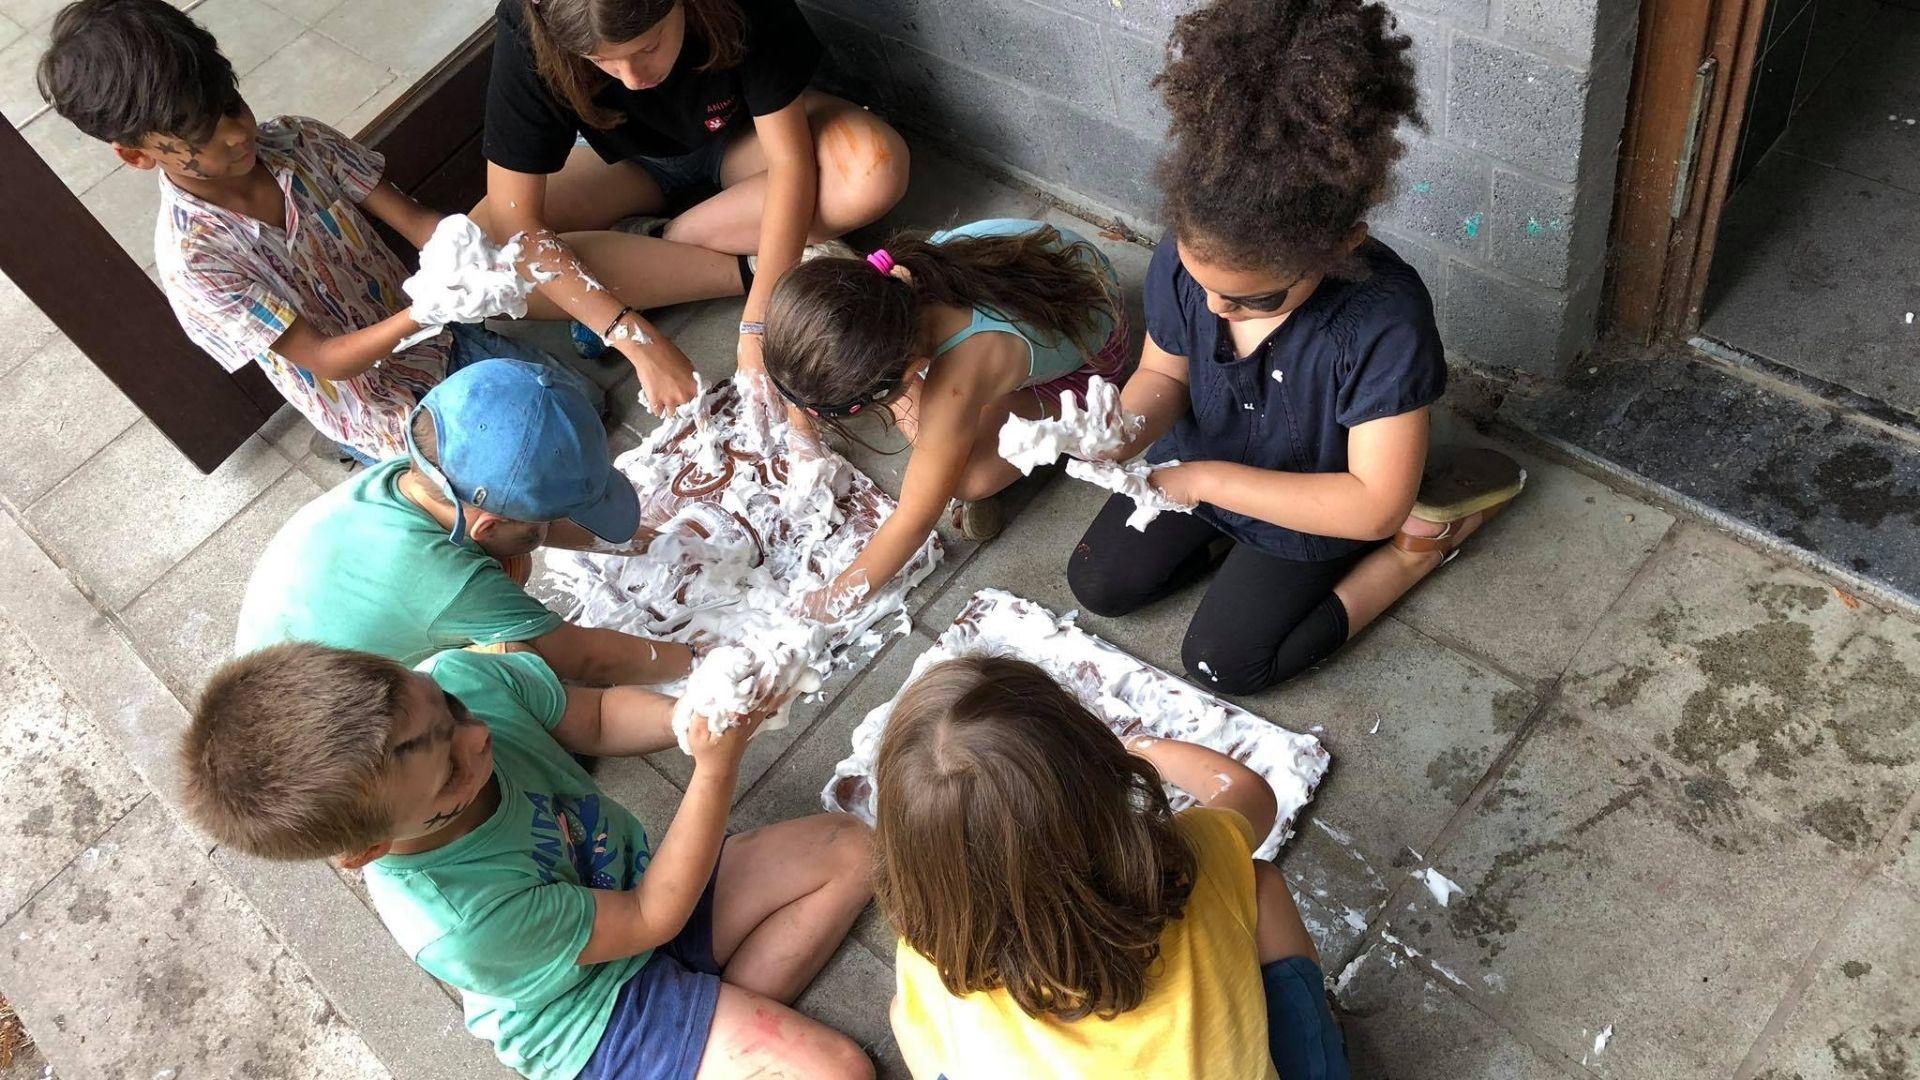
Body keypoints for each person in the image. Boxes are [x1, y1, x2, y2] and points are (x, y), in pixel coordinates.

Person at [35, 0, 738, 464]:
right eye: (202, 137)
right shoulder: (198, 262)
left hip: (442, 341)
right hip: (372, 401)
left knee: (582, 409)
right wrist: (424, 308)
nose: (238, 134)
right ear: (137, 155)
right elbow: (328, 360)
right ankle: (373, 456)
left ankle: (611, 291)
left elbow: (416, 221)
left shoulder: (299, 141)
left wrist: (458, 250)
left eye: (233, 106)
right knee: (534, 466)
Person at [1064, 0, 1525, 695]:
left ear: (1340, 248)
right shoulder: (1196, 259)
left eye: (1255, 300)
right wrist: (1124, 427)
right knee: (1096, 582)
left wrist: (1203, 481)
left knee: (1225, 664)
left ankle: (1416, 552)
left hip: (1319, 506)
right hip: (1204, 468)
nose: (1216, 309)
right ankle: (1229, 550)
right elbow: (1165, 372)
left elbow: (1372, 502)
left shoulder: (1384, 321)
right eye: (1201, 282)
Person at [179, 641, 876, 1079]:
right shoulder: (461, 922)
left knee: (854, 849)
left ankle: (709, 1023)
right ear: (369, 849)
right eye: (450, 775)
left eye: (452, 711)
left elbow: (594, 718)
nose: (477, 739)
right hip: (592, 1014)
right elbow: (651, 915)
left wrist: (692, 718)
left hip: (637, 895)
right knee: (839, 1071)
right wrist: (715, 768)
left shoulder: (456, 678)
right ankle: (699, 1034)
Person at [874, 655, 1348, 1080]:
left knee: (905, 1013)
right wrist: (1142, 748)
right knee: (1261, 884)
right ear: (1099, 768)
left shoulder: (925, 953)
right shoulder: (1193, 859)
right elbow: (1250, 796)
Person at [475, 0, 910, 417]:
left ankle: (657, 247)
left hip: (743, 136)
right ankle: (750, 262)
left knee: (872, 170)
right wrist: (632, 335)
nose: (632, 79)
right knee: (475, 268)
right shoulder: (533, 20)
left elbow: (789, 162)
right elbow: (516, 226)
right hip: (619, 162)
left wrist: (759, 321)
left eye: (649, 47)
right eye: (601, 60)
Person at [236, 358, 689, 686]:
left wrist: (643, 543)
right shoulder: (451, 582)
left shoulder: (415, 475)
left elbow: (530, 525)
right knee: (521, 661)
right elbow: (588, 659)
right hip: (345, 752)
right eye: (546, 521)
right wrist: (698, 658)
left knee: (512, 565)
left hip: (276, 674)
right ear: (486, 528)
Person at [760, 218, 1128, 617]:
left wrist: (828, 602)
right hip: (1061, 272)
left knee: (967, 479)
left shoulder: (957, 382)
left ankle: (951, 417)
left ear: (910, 371)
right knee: (936, 429)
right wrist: (801, 432)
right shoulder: (892, 280)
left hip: (1091, 358)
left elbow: (914, 519)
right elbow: (806, 366)